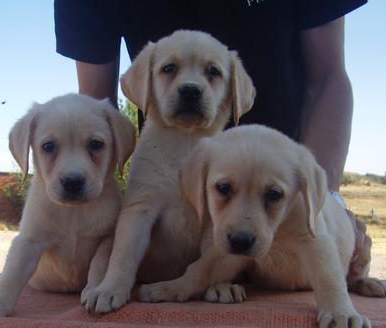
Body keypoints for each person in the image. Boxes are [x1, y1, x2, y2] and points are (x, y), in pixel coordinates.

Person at [54, 0, 366, 195]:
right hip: (166, 191)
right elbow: (98, 112)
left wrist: (326, 201)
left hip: (274, 195)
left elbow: (327, 79)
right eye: (170, 69)